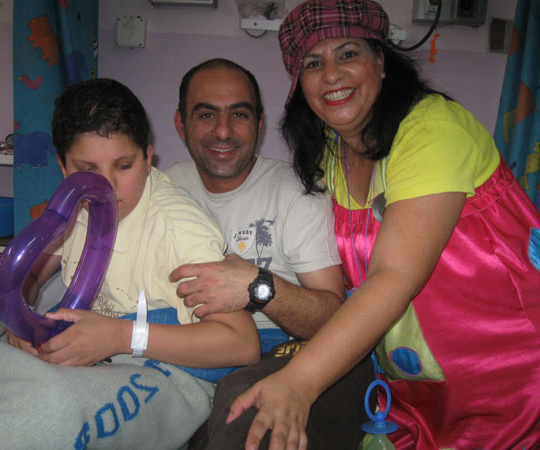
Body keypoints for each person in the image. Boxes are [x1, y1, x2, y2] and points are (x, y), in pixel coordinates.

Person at [226, 1, 540, 449]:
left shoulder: (432, 128)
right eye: (313, 63)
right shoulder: (331, 153)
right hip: (417, 386)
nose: (331, 74)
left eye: (348, 53)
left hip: (507, 374)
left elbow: (393, 274)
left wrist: (299, 381)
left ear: (381, 61)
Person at [0, 78, 259, 450]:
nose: (105, 186)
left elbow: (242, 344)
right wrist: (21, 323)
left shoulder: (180, 231)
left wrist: (121, 336)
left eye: (123, 165)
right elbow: (31, 274)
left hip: (169, 368)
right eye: (87, 168)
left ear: (148, 158)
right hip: (95, 349)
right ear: (63, 166)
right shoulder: (75, 204)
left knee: (39, 415)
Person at [166, 58, 374, 450]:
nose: (223, 131)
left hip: (284, 351)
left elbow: (333, 316)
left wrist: (256, 285)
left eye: (239, 115)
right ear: (181, 124)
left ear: (260, 124)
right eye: (206, 114)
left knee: (249, 419)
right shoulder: (163, 190)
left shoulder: (295, 190)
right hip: (192, 352)